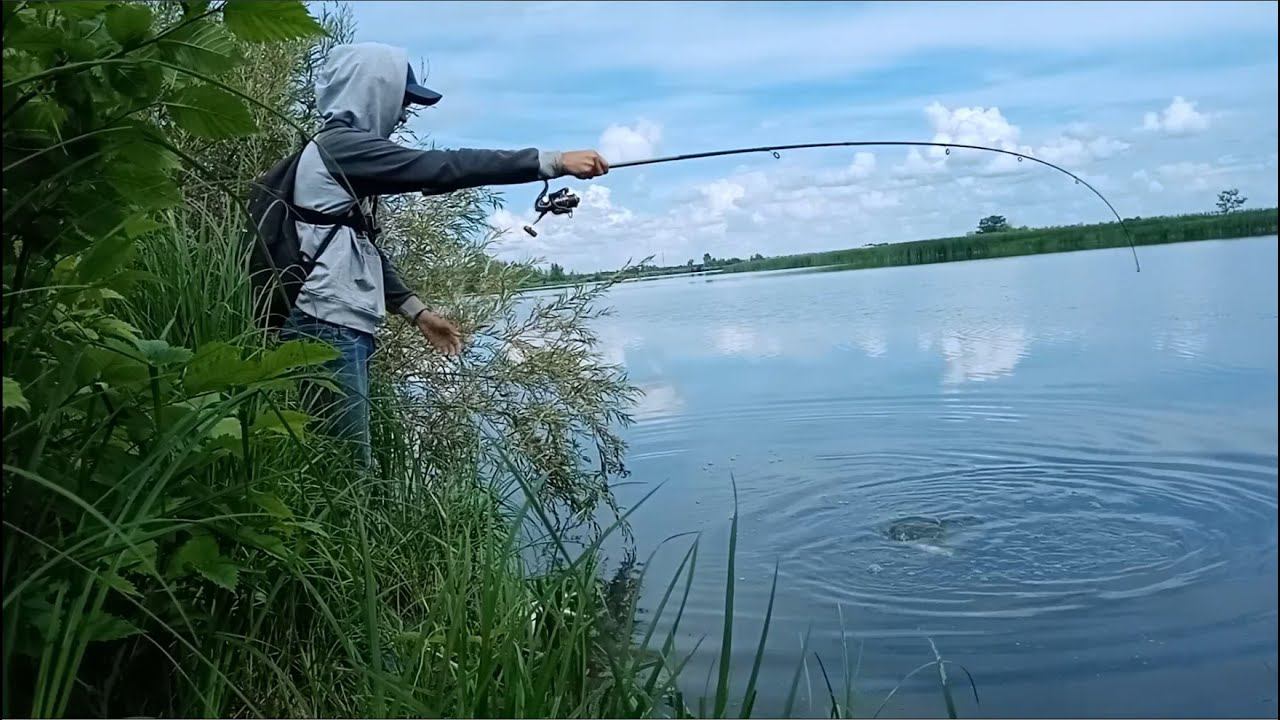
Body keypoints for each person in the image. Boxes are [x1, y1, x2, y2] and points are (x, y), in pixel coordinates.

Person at [279, 42, 608, 466]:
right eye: (402, 101)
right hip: (325, 325)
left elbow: (358, 247)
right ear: (372, 91)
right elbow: (443, 167)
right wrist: (552, 162)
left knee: (341, 463)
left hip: (333, 323)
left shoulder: (343, 154)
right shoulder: (341, 148)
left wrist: (418, 313)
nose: (402, 114)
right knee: (344, 468)